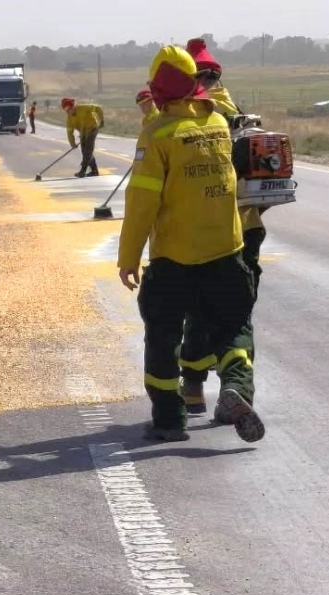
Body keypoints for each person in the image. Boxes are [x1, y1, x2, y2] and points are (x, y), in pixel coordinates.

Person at [117, 44, 264, 444]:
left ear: (158, 90)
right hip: (227, 251)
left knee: (163, 335)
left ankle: (169, 420)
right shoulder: (217, 122)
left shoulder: (157, 134)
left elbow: (142, 202)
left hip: (175, 258)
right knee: (234, 326)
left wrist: (128, 257)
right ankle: (236, 386)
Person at [177, 37, 268, 416]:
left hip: (201, 230)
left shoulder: (186, 115)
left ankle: (193, 389)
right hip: (245, 228)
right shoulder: (241, 114)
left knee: (197, 307)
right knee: (237, 313)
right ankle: (236, 385)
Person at [61, 97, 104, 178]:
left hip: (92, 129)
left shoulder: (84, 108)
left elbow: (98, 108)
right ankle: (94, 171)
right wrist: (72, 143)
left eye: (69, 109)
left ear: (73, 106)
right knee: (85, 151)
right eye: (66, 110)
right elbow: (70, 133)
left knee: (88, 151)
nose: (68, 112)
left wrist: (101, 120)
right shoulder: (69, 119)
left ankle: (82, 171)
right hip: (83, 133)